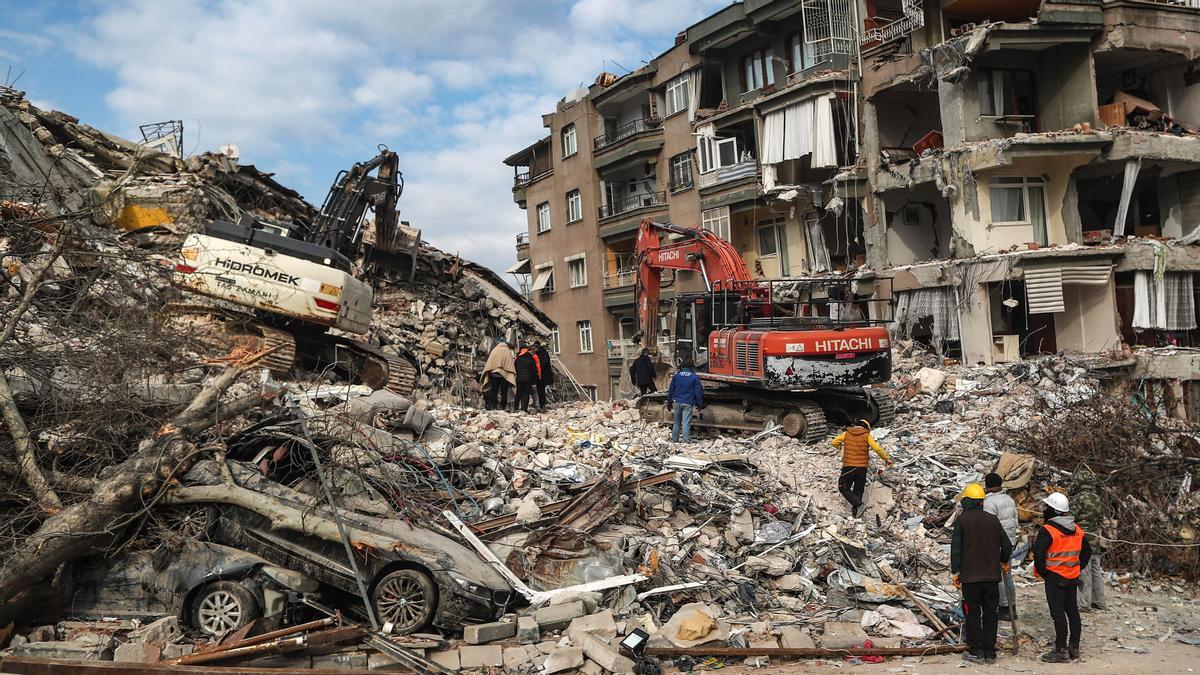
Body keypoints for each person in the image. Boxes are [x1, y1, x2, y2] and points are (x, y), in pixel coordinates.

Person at [951, 483, 1013, 665]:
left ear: (967, 501)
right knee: (990, 614)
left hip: (970, 578)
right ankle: (990, 652)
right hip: (992, 577)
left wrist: (956, 571)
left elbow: (956, 549)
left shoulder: (962, 520)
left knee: (973, 614)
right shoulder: (993, 520)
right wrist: (1003, 560)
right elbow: (1007, 545)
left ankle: (976, 651)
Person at [1034, 492, 1092, 663]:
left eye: (1047, 507)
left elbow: (1038, 554)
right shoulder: (1077, 529)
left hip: (1055, 577)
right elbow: (1087, 552)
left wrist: (1045, 572)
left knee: (1058, 613)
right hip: (1072, 577)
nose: (1045, 510)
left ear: (1052, 510)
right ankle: (1074, 647)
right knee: (1072, 611)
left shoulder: (1048, 530)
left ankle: (1061, 650)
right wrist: (1077, 566)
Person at [830, 419, 893, 517]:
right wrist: (886, 459)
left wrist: (841, 448)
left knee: (843, 487)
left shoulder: (846, 434)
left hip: (849, 466)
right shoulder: (866, 436)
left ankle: (858, 505)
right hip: (862, 468)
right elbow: (877, 448)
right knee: (858, 490)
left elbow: (834, 442)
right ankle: (856, 513)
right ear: (867, 428)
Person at [983, 472, 1020, 620]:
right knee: (1007, 574)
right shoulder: (1009, 499)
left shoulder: (989, 503)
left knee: (997, 576)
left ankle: (1004, 607)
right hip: (1009, 542)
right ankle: (1012, 607)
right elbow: (1016, 520)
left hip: (996, 543)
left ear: (987, 485)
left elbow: (988, 525)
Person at [1071, 468, 1108, 612]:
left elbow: (1071, 518)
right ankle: (1099, 601)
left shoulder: (1078, 498)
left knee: (1084, 572)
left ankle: (1084, 604)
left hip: (1082, 540)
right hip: (1095, 539)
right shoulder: (1097, 498)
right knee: (1096, 571)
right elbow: (1100, 519)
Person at [666, 358, 703, 443]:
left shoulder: (677, 376)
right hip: (688, 402)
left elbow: (671, 389)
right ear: (691, 366)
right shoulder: (694, 377)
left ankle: (675, 439)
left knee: (676, 422)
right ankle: (686, 440)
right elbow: (698, 392)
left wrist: (669, 402)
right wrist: (699, 404)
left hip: (677, 402)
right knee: (686, 423)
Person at [480, 339, 515, 411]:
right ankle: (503, 406)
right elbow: (510, 363)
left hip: (494, 374)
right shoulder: (507, 351)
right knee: (504, 392)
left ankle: (494, 406)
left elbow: (490, 362)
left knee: (494, 391)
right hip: (504, 375)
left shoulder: (495, 350)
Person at [513, 345, 540, 412]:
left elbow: (515, 368)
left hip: (519, 379)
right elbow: (534, 372)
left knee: (518, 393)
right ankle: (524, 408)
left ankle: (516, 407)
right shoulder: (531, 359)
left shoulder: (518, 359)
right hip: (528, 380)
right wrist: (534, 382)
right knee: (526, 394)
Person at [534, 341, 553, 410]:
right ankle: (541, 404)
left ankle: (542, 404)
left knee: (540, 390)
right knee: (540, 390)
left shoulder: (541, 353)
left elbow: (543, 364)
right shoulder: (544, 353)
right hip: (542, 375)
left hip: (542, 376)